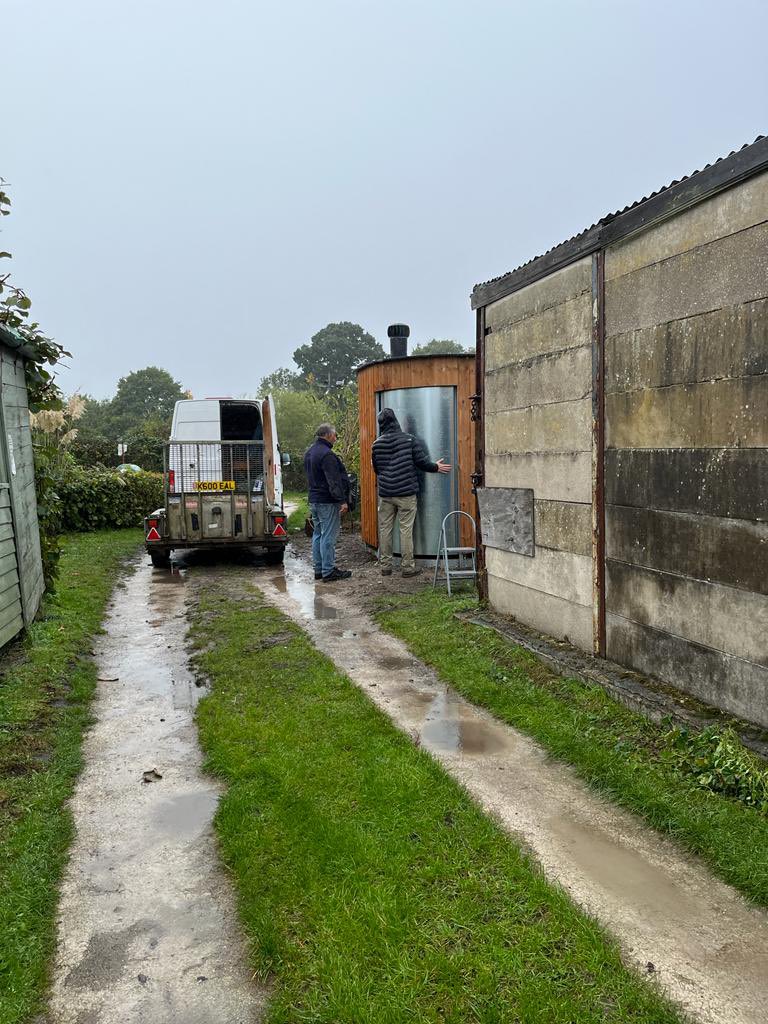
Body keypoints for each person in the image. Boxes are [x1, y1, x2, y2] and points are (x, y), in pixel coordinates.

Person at [372, 408, 451, 577]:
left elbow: (377, 469)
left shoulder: (376, 444)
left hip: (386, 494)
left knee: (385, 530)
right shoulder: (409, 440)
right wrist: (436, 466)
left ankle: (385, 567)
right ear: (395, 421)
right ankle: (407, 567)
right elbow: (422, 462)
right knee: (405, 530)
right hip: (406, 493)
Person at [304, 423, 352, 583]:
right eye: (335, 435)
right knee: (329, 536)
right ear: (327, 435)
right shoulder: (327, 455)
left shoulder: (310, 452)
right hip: (327, 501)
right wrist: (342, 501)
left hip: (315, 499)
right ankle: (328, 571)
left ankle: (319, 569)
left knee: (318, 534)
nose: (336, 438)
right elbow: (334, 481)